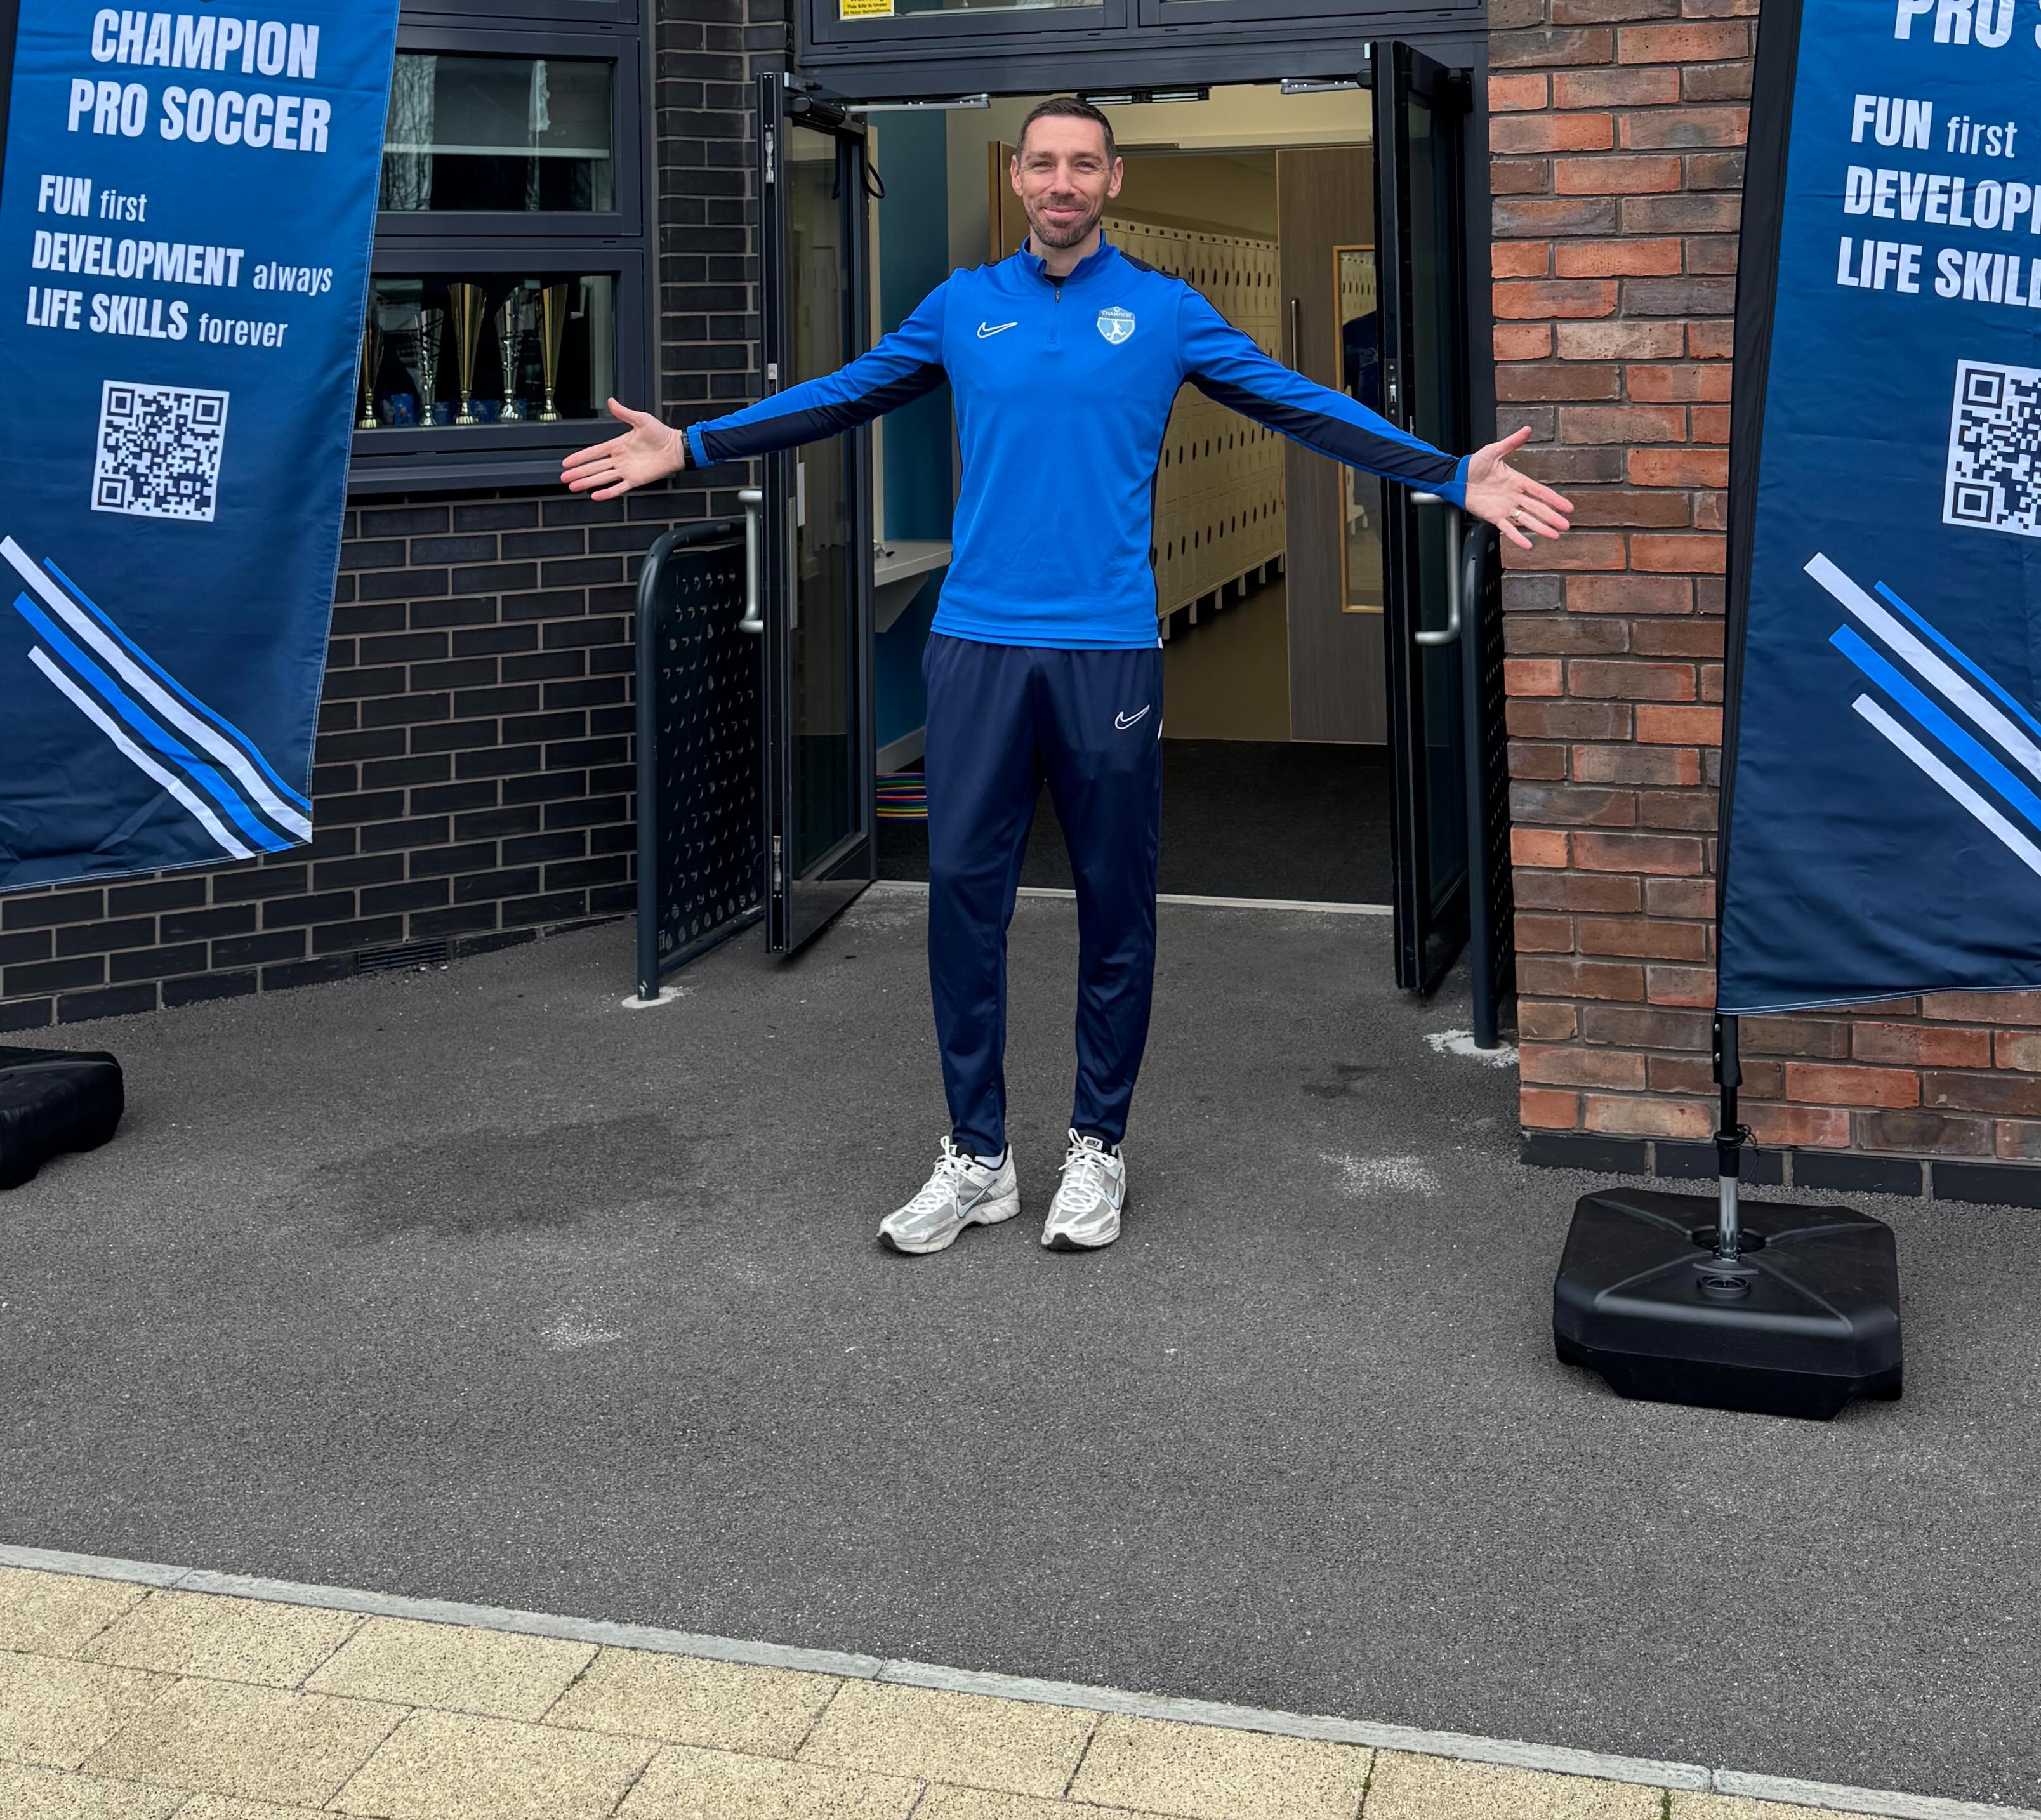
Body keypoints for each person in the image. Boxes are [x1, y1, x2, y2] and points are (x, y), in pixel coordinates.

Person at [564, 97, 1572, 1259]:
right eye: (1041, 162)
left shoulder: (1166, 313)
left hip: (1108, 653)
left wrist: (1448, 475)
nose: (1059, 181)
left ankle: (1099, 1145)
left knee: (1114, 904)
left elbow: (1301, 402)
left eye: (1081, 164)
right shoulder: (963, 308)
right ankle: (978, 1155)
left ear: (1113, 180)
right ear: (1020, 183)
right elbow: (840, 392)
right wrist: (690, 444)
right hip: (978, 647)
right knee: (965, 905)